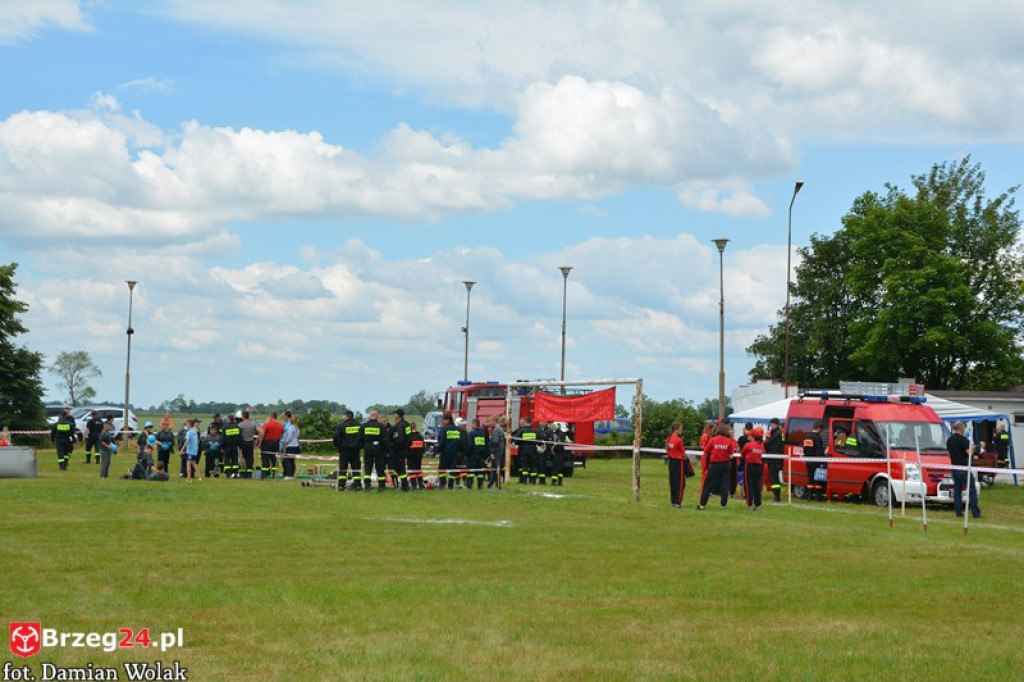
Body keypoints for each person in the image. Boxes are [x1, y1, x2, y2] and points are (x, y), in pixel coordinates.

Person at [698, 423, 737, 509]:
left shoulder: (712, 440)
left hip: (714, 464)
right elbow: (731, 456)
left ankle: (702, 504)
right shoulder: (729, 441)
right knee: (725, 483)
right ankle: (723, 503)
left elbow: (706, 452)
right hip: (726, 465)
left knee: (708, 484)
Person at [947, 421, 981, 519]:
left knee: (957, 490)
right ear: (961, 428)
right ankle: (975, 513)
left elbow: (949, 454)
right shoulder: (963, 440)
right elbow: (969, 453)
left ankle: (958, 511)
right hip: (963, 467)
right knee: (971, 490)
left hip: (954, 467)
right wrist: (973, 448)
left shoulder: (949, 440)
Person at [333, 409, 363, 491]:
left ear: (347, 416)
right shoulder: (359, 425)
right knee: (356, 469)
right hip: (355, 451)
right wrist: (359, 446)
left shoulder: (342, 426)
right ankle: (357, 486)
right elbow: (362, 437)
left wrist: (337, 446)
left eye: (344, 416)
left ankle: (341, 486)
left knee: (343, 469)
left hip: (344, 451)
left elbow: (335, 436)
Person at [436, 412, 464, 490]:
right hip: (455, 453)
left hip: (445, 453)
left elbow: (441, 441)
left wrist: (439, 450)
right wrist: (460, 452)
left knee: (442, 469)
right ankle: (450, 486)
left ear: (447, 420)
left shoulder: (444, 429)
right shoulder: (458, 430)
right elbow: (462, 441)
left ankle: (442, 484)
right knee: (453, 469)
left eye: (444, 420)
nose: (443, 422)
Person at [361, 410, 388, 492]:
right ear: (377, 416)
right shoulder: (381, 426)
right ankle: (381, 486)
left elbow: (360, 438)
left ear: (370, 416)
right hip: (379, 449)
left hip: (368, 448)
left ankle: (367, 486)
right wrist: (386, 450)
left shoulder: (364, 426)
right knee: (380, 468)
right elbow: (385, 440)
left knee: (368, 468)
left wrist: (364, 446)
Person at [665, 421, 688, 508]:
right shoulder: (679, 440)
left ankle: (673, 501)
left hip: (671, 462)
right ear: (676, 429)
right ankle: (678, 502)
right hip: (679, 462)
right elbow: (683, 453)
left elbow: (667, 450)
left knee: (673, 482)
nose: (681, 431)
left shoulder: (669, 439)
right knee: (680, 483)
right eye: (680, 429)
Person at [742, 427, 765, 511]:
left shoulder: (748, 445)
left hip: (750, 466)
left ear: (752, 436)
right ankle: (757, 504)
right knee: (757, 486)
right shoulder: (761, 446)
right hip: (758, 467)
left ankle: (749, 504)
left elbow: (742, 453)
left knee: (749, 486)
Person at [388, 408, 412, 491]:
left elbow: (400, 439)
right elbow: (409, 438)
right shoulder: (407, 424)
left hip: (399, 450)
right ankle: (405, 485)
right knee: (401, 468)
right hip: (406, 449)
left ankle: (405, 486)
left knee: (400, 468)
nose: (394, 416)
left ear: (398, 416)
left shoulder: (399, 426)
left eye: (395, 414)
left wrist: (394, 446)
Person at [803, 421, 826, 501]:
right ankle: (818, 497)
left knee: (810, 479)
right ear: (819, 428)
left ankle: (809, 496)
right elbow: (819, 451)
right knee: (817, 480)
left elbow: (805, 449)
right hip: (816, 461)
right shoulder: (817, 438)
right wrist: (822, 461)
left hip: (808, 460)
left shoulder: (807, 437)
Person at [257, 412, 284, 479]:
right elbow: (282, 433)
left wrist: (260, 443)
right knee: (274, 459)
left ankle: (265, 474)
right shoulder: (280, 425)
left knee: (265, 458)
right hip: (276, 443)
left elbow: (262, 433)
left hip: (267, 443)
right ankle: (274, 474)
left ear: (271, 416)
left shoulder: (267, 424)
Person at [512, 418, 539, 485]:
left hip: (524, 450)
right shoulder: (535, 431)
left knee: (524, 466)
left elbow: (516, 440)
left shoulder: (522, 430)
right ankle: (533, 481)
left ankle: (524, 480)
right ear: (531, 423)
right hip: (533, 450)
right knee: (533, 466)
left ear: (525, 422)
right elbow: (539, 440)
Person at [764, 418, 785, 504]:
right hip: (776, 459)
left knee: (774, 479)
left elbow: (769, 445)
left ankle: (777, 497)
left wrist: (766, 440)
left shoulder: (777, 434)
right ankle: (776, 495)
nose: (770, 426)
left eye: (771, 424)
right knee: (774, 479)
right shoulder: (778, 433)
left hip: (774, 459)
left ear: (775, 424)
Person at [466, 418, 489, 489]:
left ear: (474, 424)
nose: (471, 425)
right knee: (480, 472)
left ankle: (469, 485)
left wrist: (467, 454)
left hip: (472, 456)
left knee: (471, 472)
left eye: (471, 423)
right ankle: (480, 485)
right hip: (481, 456)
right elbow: (486, 445)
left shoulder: (471, 433)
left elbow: (469, 445)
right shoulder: (483, 433)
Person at [279, 410, 300, 480]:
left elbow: (289, 438)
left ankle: (289, 475)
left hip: (290, 446)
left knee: (287, 460)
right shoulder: (296, 428)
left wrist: (284, 444)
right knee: (291, 461)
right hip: (295, 446)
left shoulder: (290, 428)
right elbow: (297, 436)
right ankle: (291, 474)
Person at [238, 410, 259, 478]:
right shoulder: (253, 425)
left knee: (244, 457)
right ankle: (249, 473)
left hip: (243, 443)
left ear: (243, 416)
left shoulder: (240, 425)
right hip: (250, 442)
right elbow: (257, 432)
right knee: (250, 458)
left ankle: (243, 472)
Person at [488, 415, 506, 488]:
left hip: (496, 451)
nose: (489, 423)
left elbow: (495, 442)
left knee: (496, 468)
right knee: (495, 468)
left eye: (490, 421)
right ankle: (492, 484)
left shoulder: (496, 430)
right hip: (500, 450)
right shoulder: (499, 429)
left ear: (494, 421)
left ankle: (497, 485)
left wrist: (492, 452)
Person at [221, 414, 242, 478]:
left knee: (227, 460)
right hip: (235, 446)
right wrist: (240, 446)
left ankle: (228, 474)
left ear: (228, 419)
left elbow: (223, 439)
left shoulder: (225, 427)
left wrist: (222, 447)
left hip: (227, 447)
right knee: (235, 460)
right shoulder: (238, 427)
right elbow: (239, 438)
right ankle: (235, 473)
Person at [407, 421, 426, 490]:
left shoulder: (409, 436)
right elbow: (423, 447)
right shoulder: (419, 436)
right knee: (418, 470)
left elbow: (407, 446)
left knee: (411, 471)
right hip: (418, 456)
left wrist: (407, 454)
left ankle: (414, 486)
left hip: (411, 457)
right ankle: (421, 485)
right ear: (415, 427)